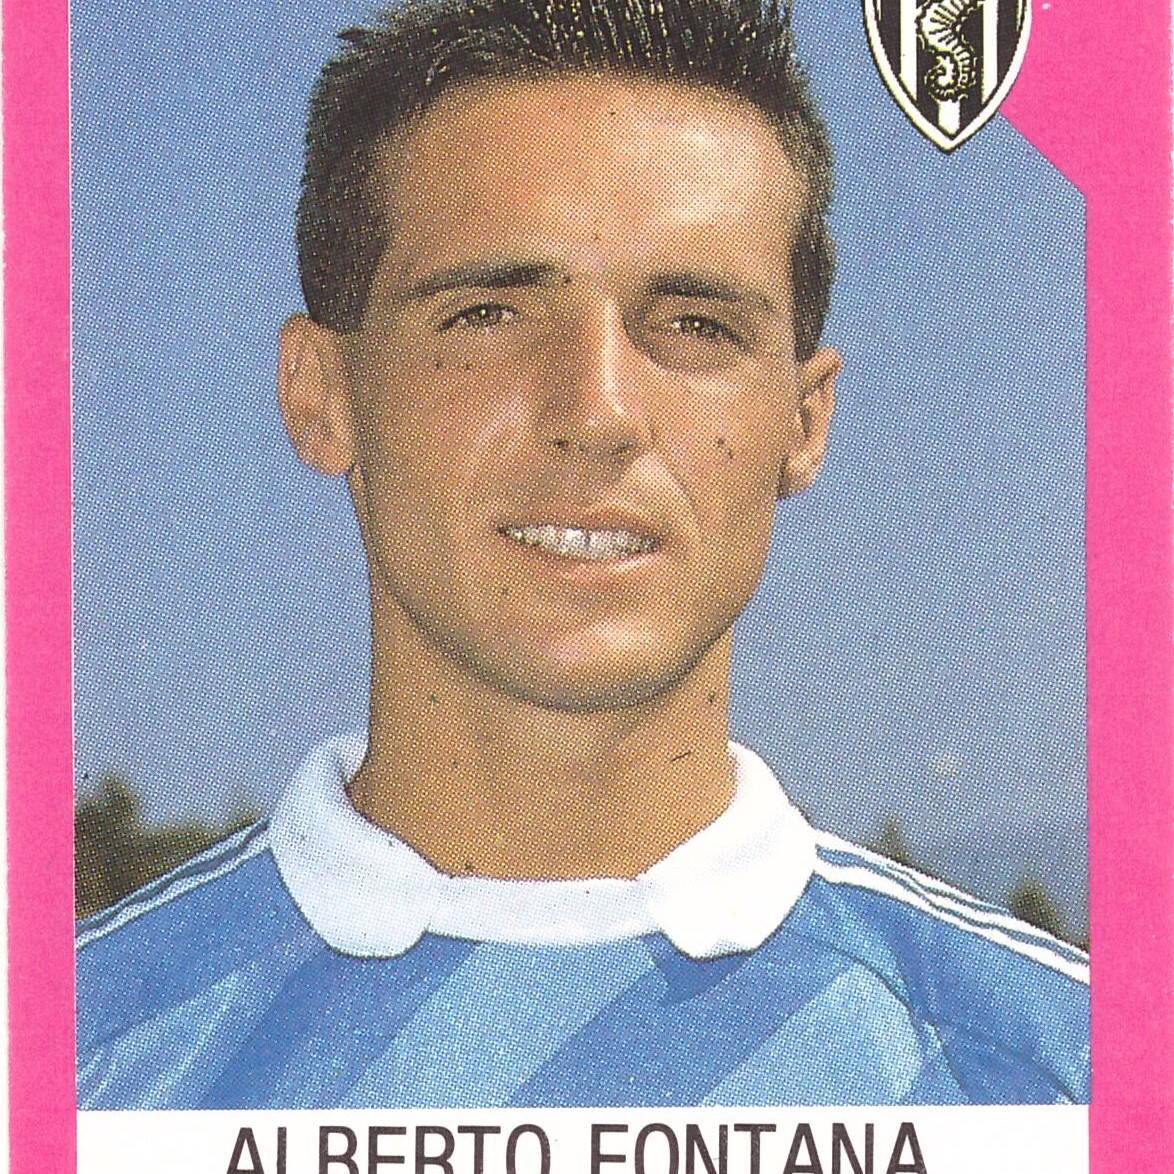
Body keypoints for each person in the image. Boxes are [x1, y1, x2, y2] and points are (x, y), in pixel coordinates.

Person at [76, 0, 1088, 1108]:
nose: (598, 411)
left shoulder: (1068, 1078)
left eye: (695, 325)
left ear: (804, 420)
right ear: (322, 394)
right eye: (488, 314)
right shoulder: (66, 1065)